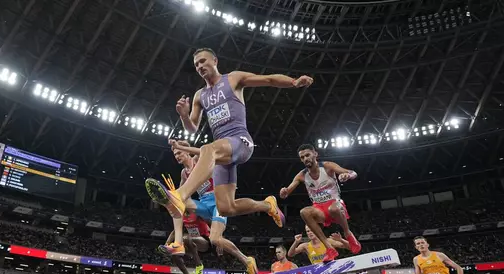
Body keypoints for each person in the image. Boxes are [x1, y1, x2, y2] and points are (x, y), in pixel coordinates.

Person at [145, 47, 313, 229]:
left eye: (203, 61)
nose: (200, 66)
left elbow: (268, 79)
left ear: (215, 61)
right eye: (196, 64)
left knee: (207, 149)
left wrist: (294, 82)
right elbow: (192, 128)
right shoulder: (199, 96)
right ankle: (267, 205)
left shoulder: (233, 78)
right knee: (226, 208)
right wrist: (184, 116)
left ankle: (180, 195)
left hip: (240, 140)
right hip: (222, 152)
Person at [279, 144, 361, 262]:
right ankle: (329, 248)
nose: (305, 159)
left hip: (335, 205)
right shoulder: (302, 175)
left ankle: (348, 233)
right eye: (302, 157)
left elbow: (353, 173)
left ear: (315, 154)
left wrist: (347, 175)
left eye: (307, 155)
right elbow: (287, 192)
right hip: (319, 209)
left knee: (333, 209)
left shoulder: (328, 166)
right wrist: (284, 192)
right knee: (304, 212)